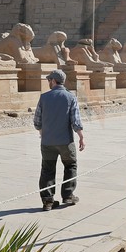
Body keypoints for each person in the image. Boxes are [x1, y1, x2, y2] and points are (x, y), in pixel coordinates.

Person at [34, 69, 85, 210]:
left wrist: (42, 132)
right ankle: (68, 195)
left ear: (53, 81)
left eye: (49, 80)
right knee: (70, 166)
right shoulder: (70, 97)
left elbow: (37, 121)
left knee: (47, 169)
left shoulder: (43, 97)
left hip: (47, 142)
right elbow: (75, 120)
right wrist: (81, 136)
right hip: (66, 142)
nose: (48, 82)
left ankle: (48, 201)